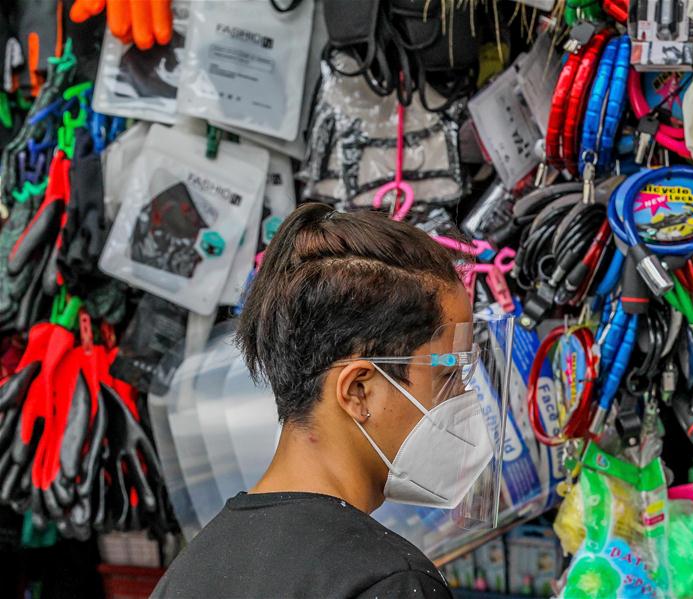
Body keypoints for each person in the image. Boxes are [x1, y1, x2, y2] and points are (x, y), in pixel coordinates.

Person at [152, 203, 479, 598]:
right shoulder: (388, 581)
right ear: (358, 390)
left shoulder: (187, 575)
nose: (463, 397)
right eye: (447, 375)